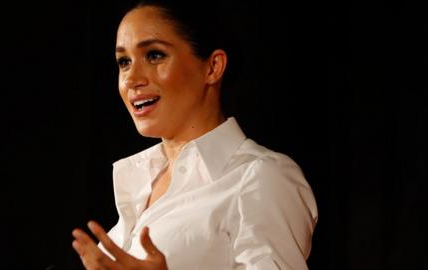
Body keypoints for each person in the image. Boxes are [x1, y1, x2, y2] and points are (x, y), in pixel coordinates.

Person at [71, 1, 318, 269]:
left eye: (155, 55)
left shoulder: (261, 177)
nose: (131, 79)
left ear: (212, 67)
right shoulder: (141, 179)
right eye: (124, 62)